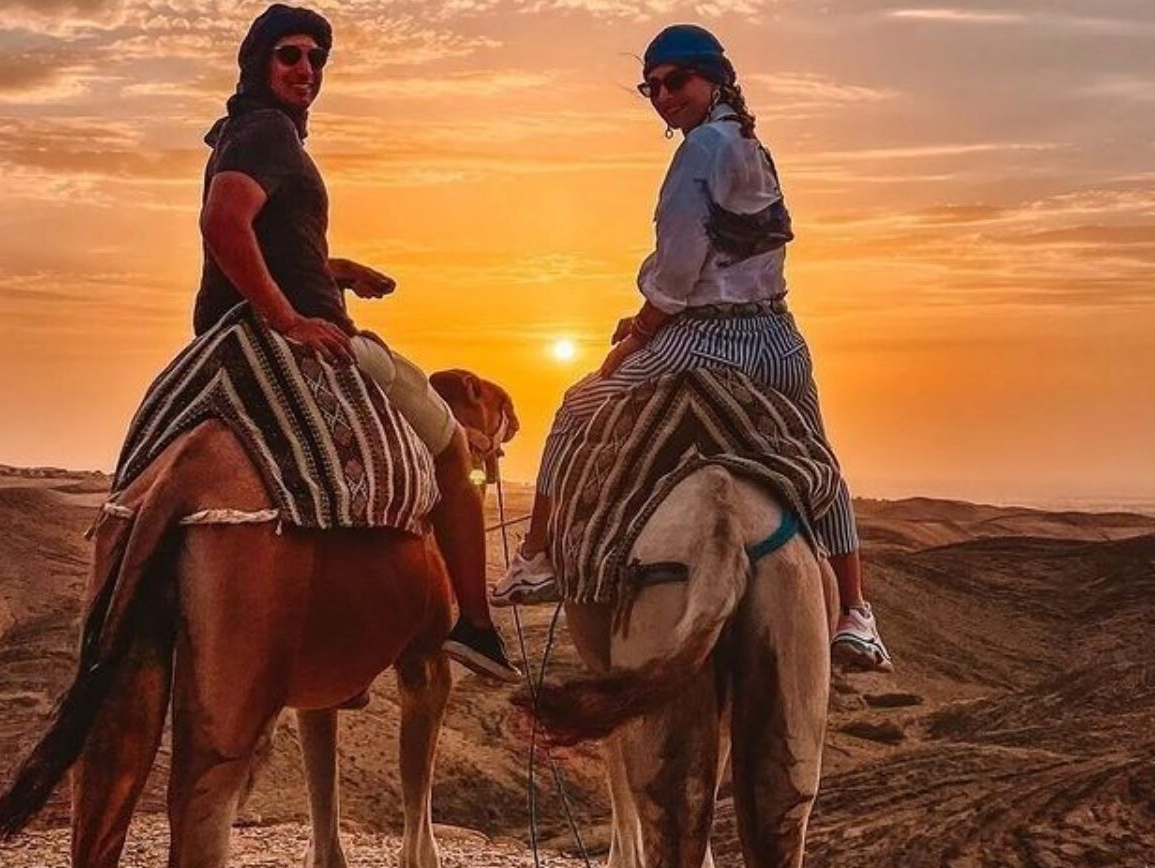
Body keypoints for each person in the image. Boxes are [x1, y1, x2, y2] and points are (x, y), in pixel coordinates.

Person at [492, 24, 892, 673]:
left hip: (702, 340)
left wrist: (643, 328)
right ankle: (854, 611)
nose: (662, 95)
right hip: (777, 339)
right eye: (650, 86)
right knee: (818, 458)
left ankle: (538, 557)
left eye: (675, 80)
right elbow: (731, 258)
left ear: (712, 78)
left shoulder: (697, 151)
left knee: (576, 410)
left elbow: (681, 268)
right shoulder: (751, 145)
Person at [195, 3, 520, 682]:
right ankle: (477, 627)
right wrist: (291, 318)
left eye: (317, 58)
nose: (306, 69)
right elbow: (225, 224)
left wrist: (333, 271)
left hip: (231, 334)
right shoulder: (267, 134)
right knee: (455, 453)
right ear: (259, 63)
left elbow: (265, 236)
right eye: (290, 55)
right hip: (298, 341)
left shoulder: (242, 132)